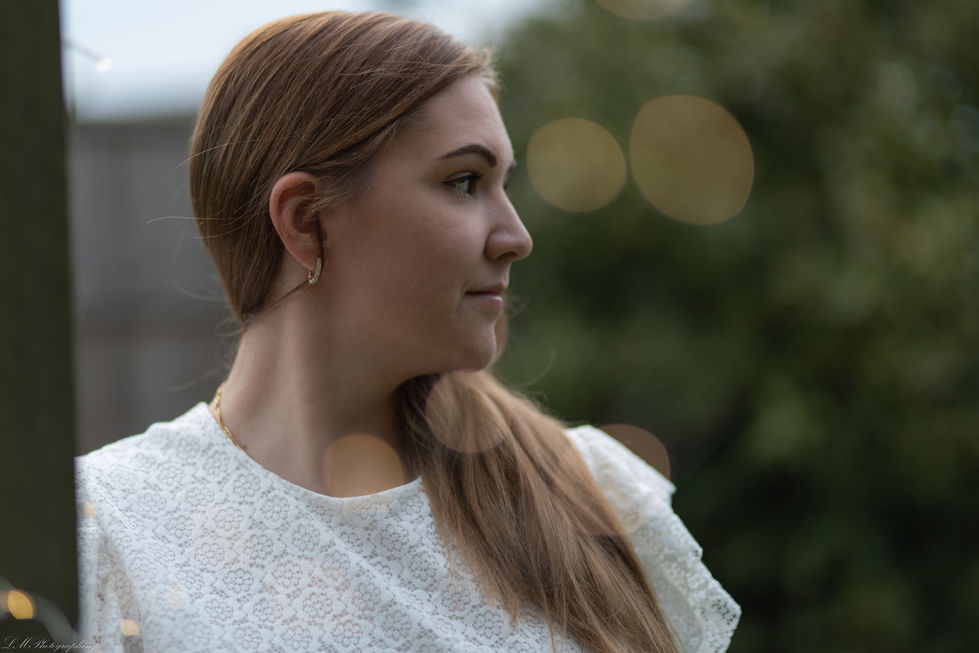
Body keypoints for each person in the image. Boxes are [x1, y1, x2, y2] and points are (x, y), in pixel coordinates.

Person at [75, 11, 739, 652]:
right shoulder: (109, 532)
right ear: (306, 220)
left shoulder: (589, 495)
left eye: (501, 183)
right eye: (463, 182)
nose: (516, 236)